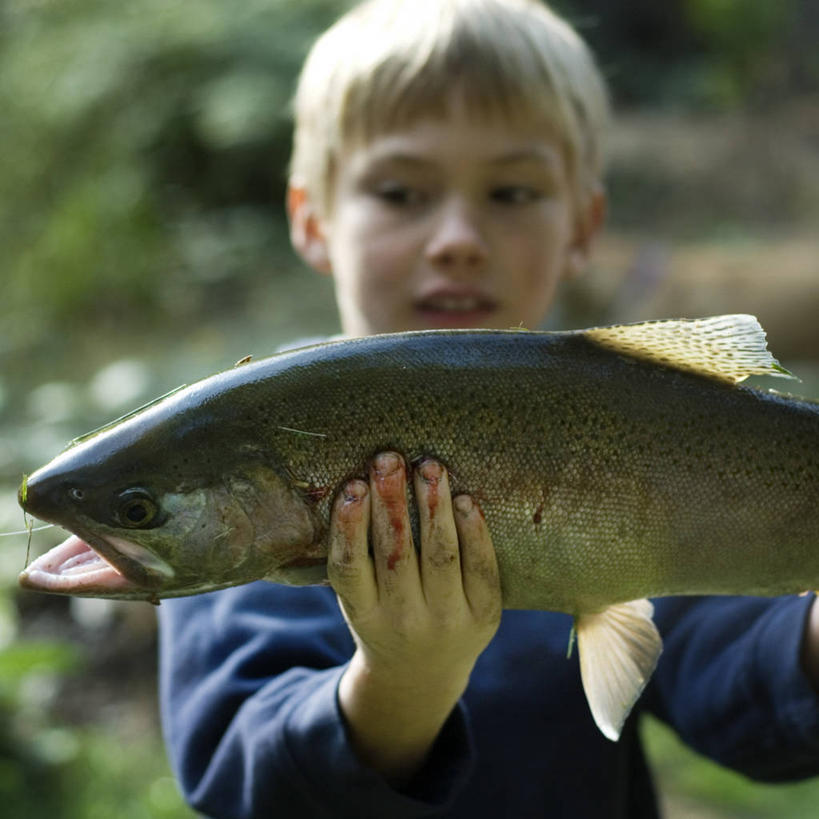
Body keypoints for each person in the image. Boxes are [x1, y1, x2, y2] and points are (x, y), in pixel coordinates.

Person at [157, 1, 819, 816]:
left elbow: (739, 687)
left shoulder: (630, 420)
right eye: (400, 192)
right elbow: (247, 778)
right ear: (312, 219)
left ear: (582, 225)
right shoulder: (254, 447)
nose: (458, 237)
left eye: (510, 191)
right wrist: (402, 680)